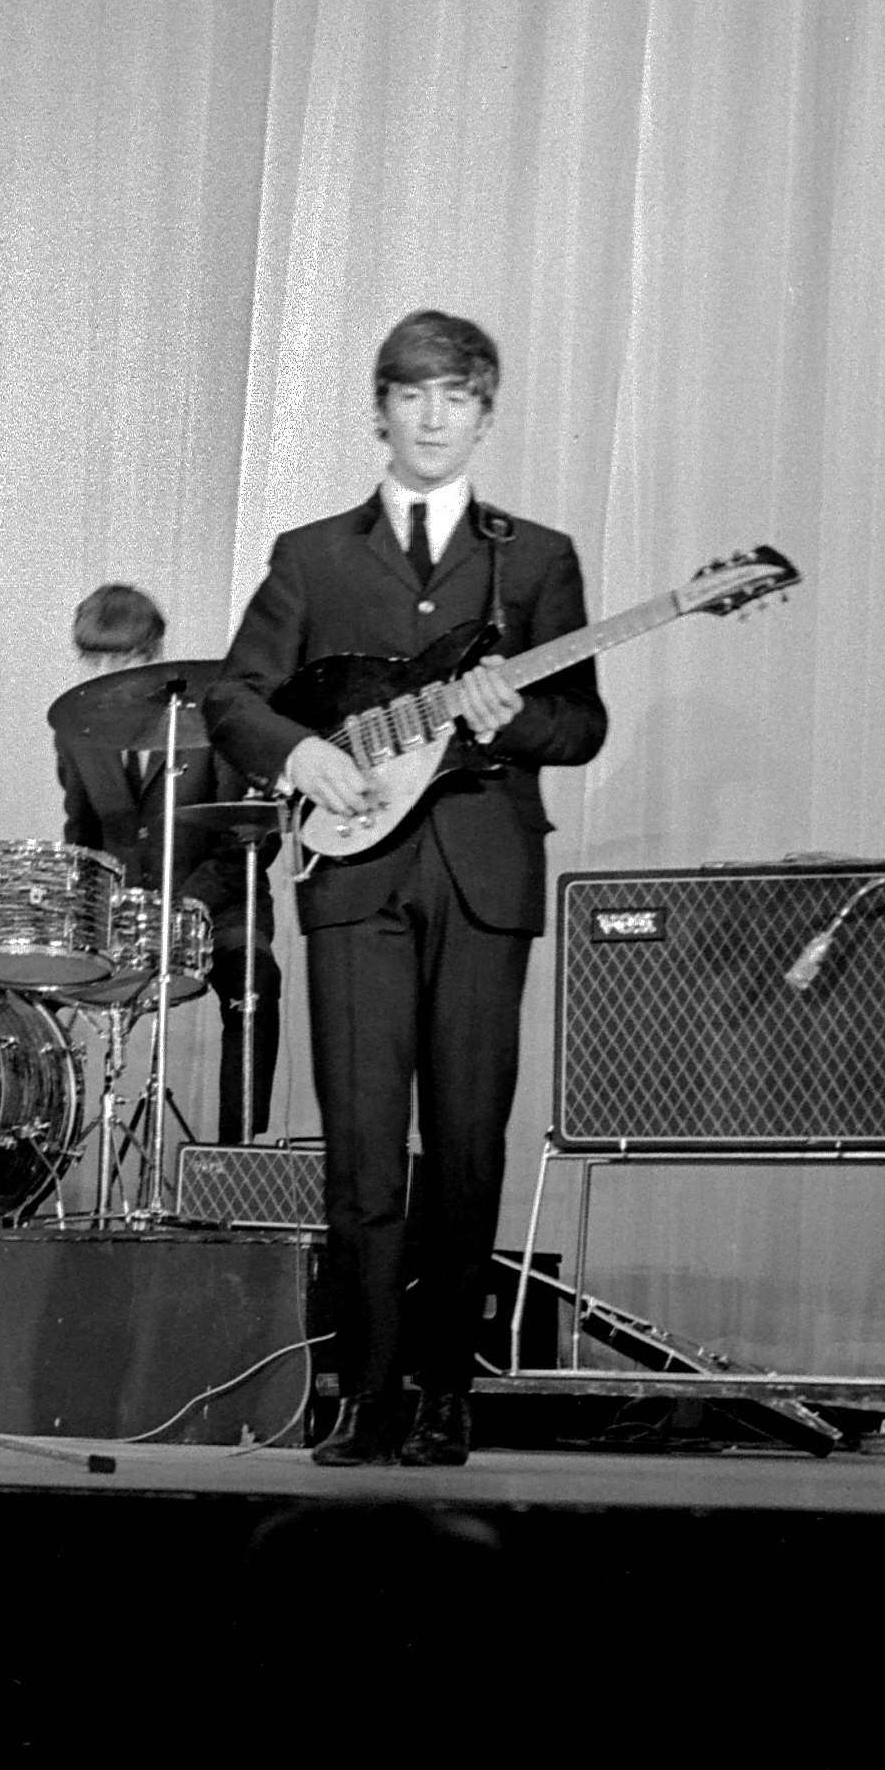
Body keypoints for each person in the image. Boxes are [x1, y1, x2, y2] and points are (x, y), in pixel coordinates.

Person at [206, 311, 606, 1467]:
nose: (433, 419)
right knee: (361, 1147)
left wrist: (512, 713)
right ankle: (365, 1395)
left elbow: (578, 724)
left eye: (457, 399)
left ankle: (443, 1392)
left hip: (483, 869)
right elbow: (235, 697)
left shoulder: (531, 556)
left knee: (468, 1143)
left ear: (486, 414)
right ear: (377, 409)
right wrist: (300, 754)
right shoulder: (309, 555)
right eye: (412, 396)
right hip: (352, 870)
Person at [46, 584, 282, 1143]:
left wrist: (185, 908)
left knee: (256, 985)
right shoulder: (77, 733)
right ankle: (32, 1155)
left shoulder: (213, 723)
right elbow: (83, 834)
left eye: (118, 658)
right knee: (33, 994)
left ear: (151, 654)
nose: (103, 671)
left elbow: (246, 835)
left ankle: (238, 1154)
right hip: (126, 915)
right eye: (93, 657)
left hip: (216, 907)